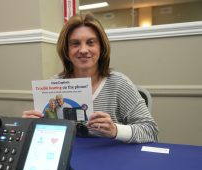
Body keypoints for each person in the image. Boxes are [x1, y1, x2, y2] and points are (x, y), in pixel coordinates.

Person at [22, 13, 158, 143]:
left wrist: (115, 130)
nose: (83, 50)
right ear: (66, 51)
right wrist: (30, 126)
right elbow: (45, 135)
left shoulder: (119, 84)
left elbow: (150, 130)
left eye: (90, 42)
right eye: (75, 43)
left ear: (101, 48)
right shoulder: (54, 85)